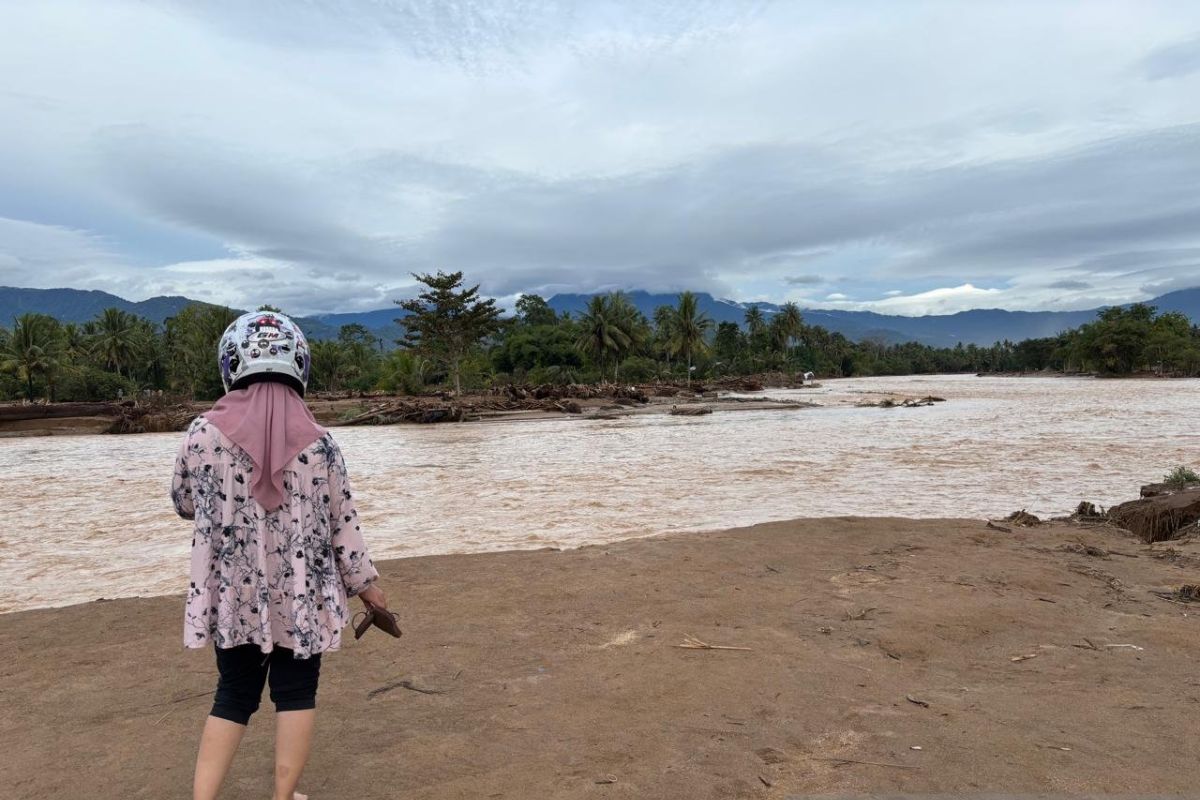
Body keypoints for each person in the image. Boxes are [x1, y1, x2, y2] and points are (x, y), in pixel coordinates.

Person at [171, 310, 387, 800]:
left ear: (232, 364)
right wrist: (369, 588)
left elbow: (184, 503)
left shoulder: (201, 434)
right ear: (299, 365)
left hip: (234, 598)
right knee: (296, 694)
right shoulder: (323, 445)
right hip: (302, 598)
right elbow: (344, 527)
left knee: (232, 694)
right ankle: (283, 797)